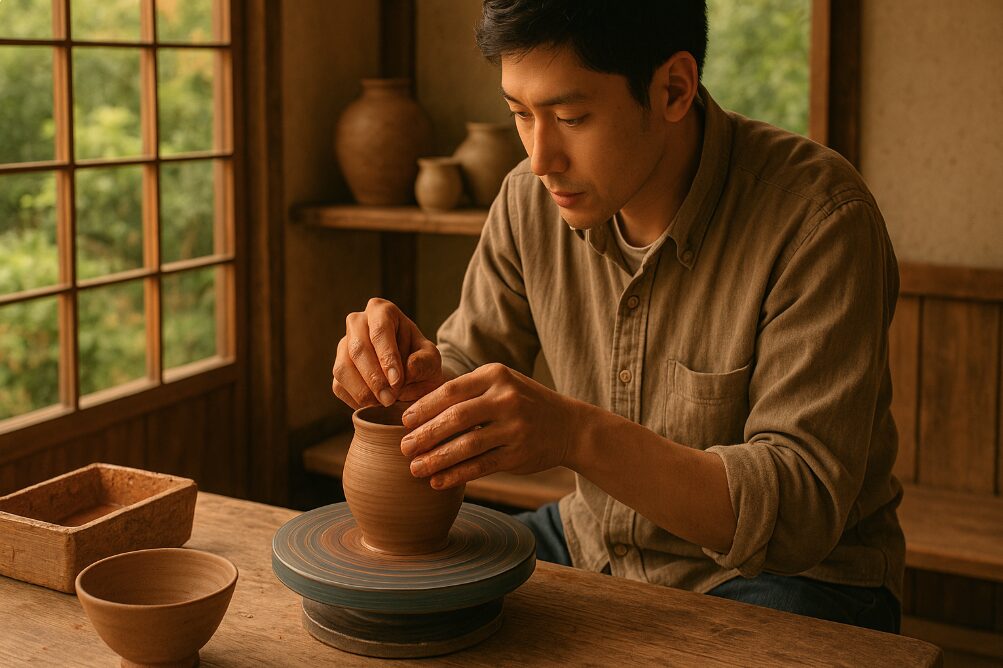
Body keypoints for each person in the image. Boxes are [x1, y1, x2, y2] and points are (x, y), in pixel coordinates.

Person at [331, 0, 903, 633]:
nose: (541, 156)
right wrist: (416, 383)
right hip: (595, 539)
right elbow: (466, 364)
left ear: (674, 89)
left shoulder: (818, 220)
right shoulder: (528, 200)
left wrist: (573, 435)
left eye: (570, 117)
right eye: (520, 114)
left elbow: (800, 511)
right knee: (382, 609)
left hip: (791, 581)